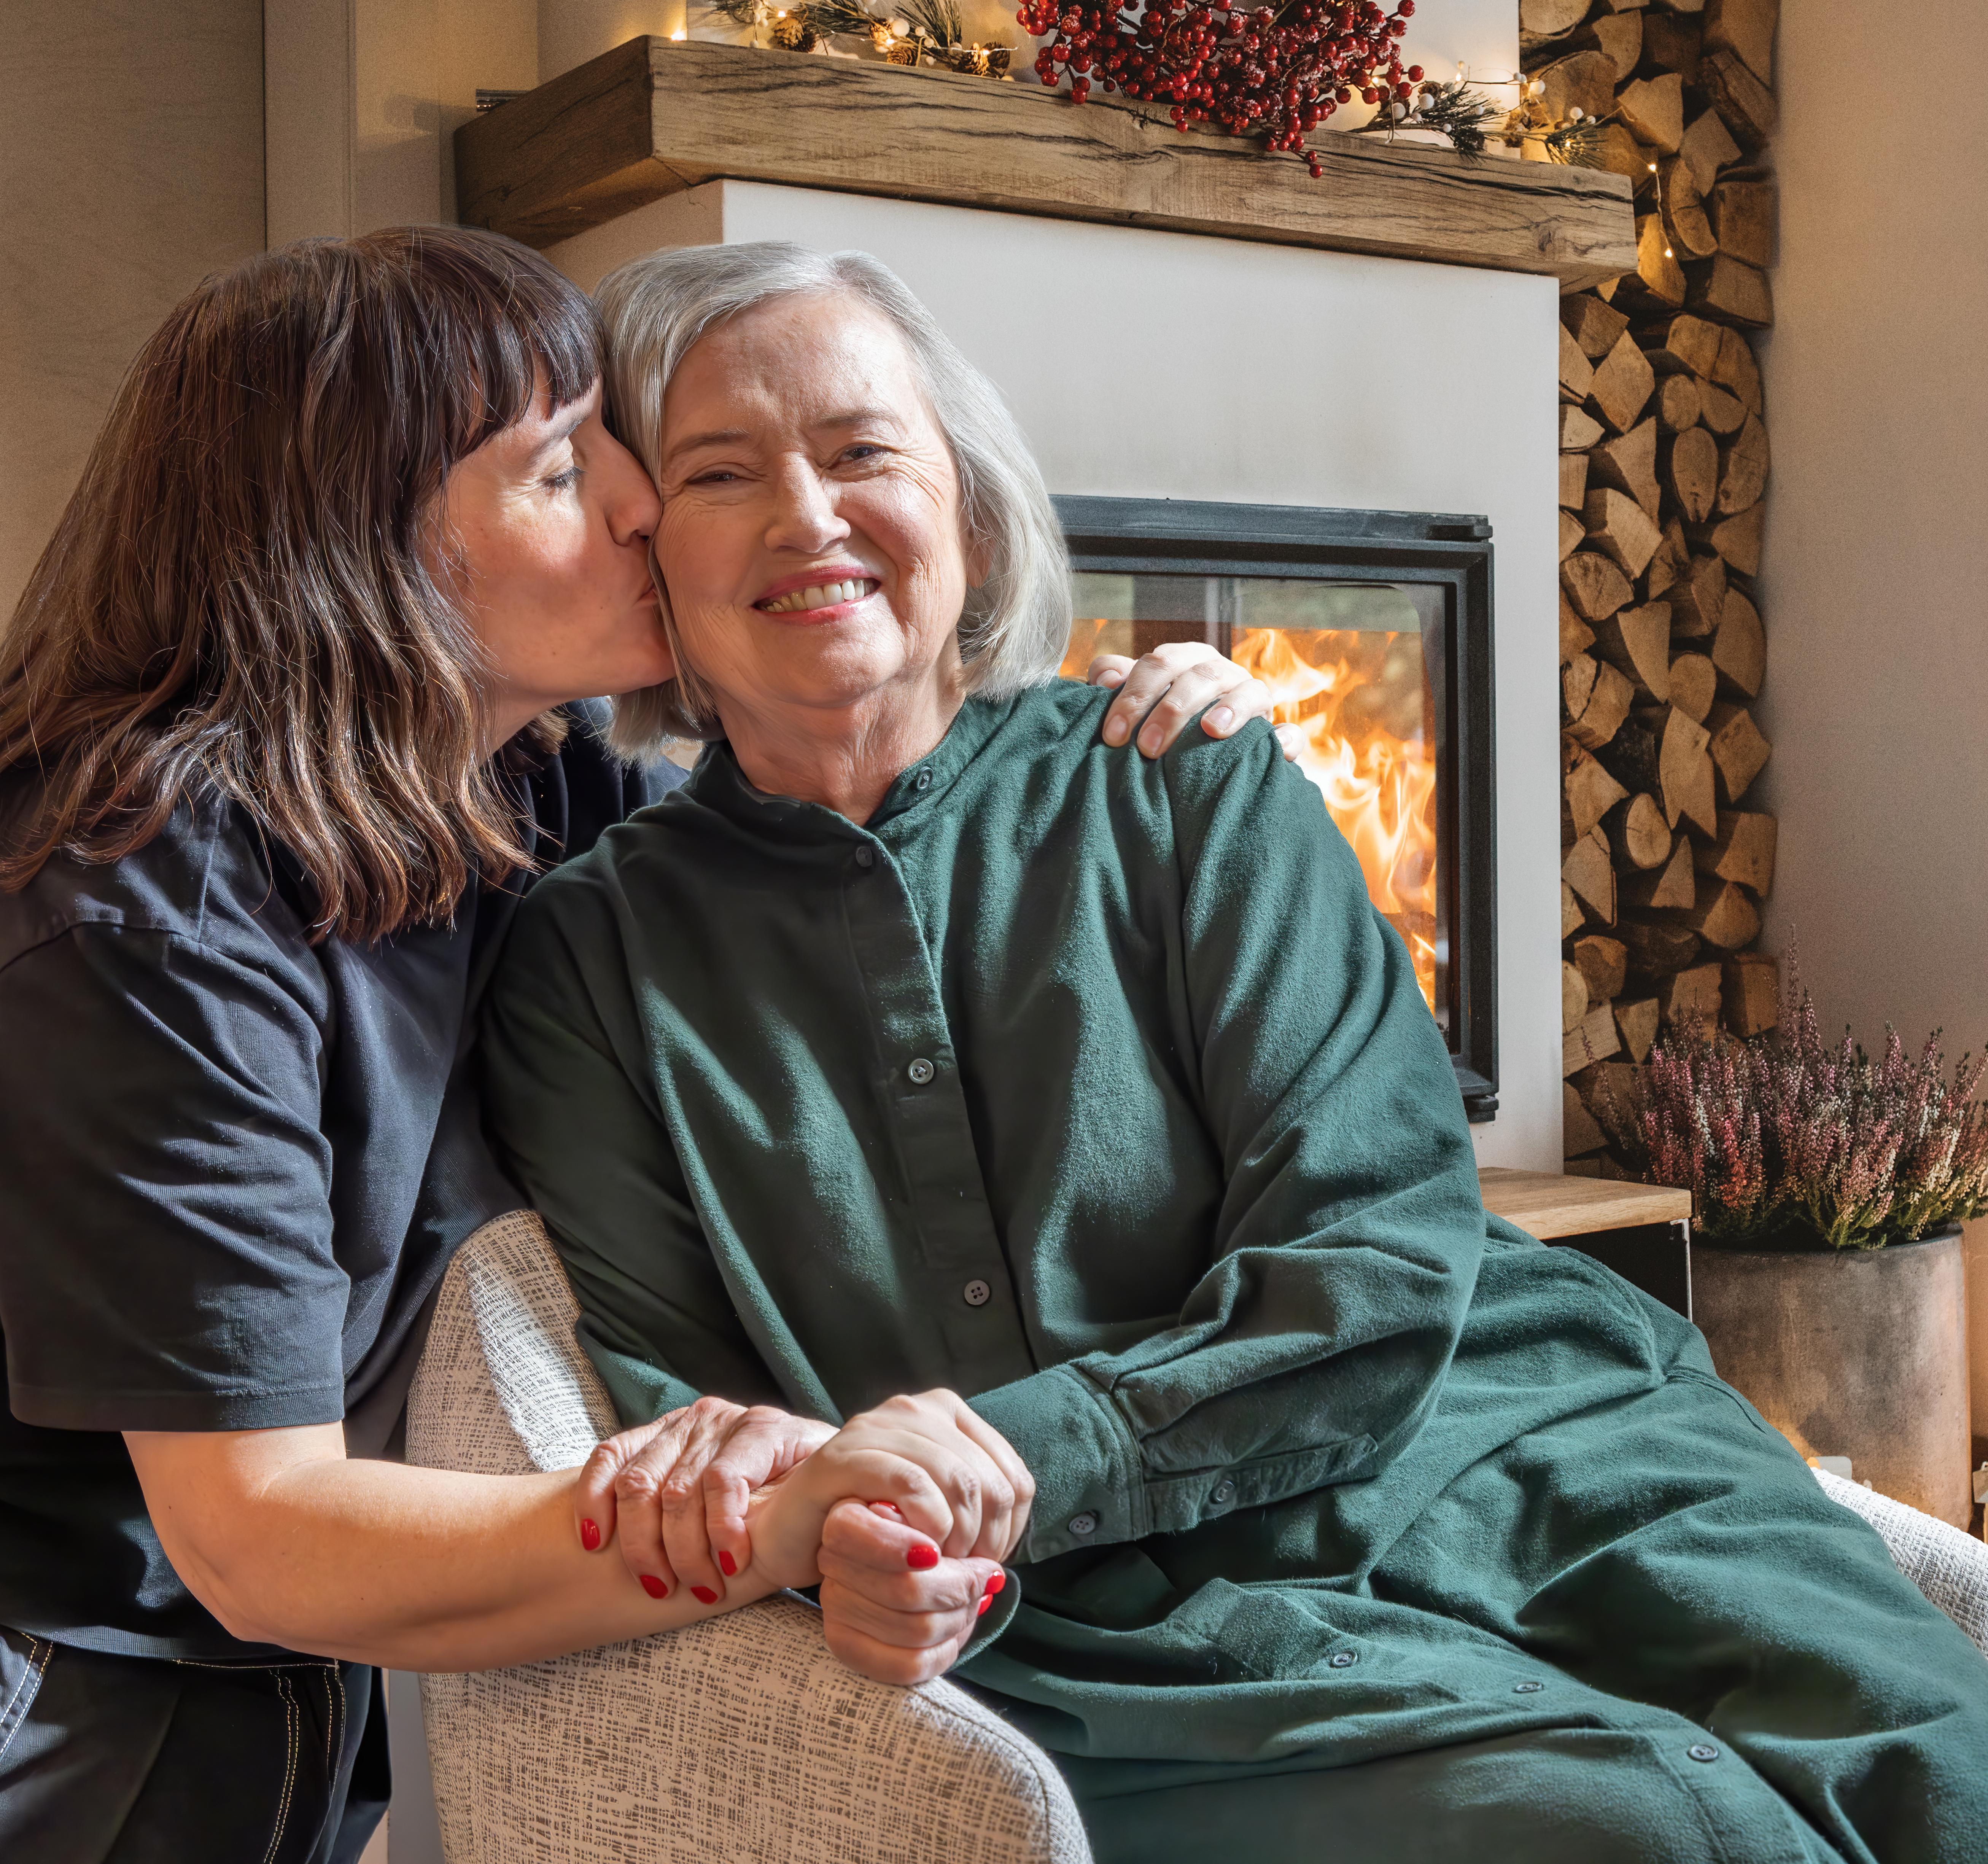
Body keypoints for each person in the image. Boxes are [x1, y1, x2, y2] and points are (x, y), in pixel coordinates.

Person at [482, 240, 1988, 1864]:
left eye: (862, 453)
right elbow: (704, 1419)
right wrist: (845, 1524)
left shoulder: (1184, 775)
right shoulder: (587, 961)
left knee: (1950, 1768)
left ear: (969, 515)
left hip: (1507, 1444)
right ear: (652, 564)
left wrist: (1010, 1454)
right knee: (1658, 1833)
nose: (806, 514)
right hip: (1090, 1633)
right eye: (722, 470)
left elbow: (1371, 1263)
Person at [0, 224, 1288, 1863]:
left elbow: (850, 824)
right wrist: (760, 1515)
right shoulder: (148, 899)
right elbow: (253, 1531)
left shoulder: (522, 793)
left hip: (294, 1679)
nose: (634, 504)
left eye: (609, 440)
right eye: (557, 467)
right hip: (79, 1687)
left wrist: (1125, 744)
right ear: (359, 549)